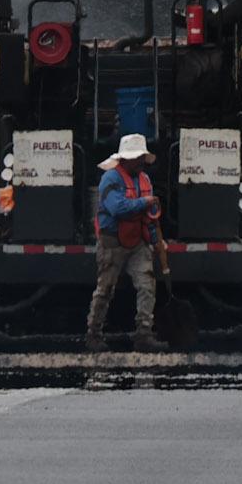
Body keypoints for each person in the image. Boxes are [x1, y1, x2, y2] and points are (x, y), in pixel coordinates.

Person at [86, 133, 165, 352]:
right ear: (125, 159)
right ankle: (93, 334)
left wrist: (157, 241)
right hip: (112, 243)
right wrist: (145, 201)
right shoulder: (110, 179)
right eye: (137, 157)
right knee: (105, 289)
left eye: (142, 157)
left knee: (147, 285)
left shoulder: (144, 180)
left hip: (137, 242)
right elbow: (117, 208)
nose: (141, 162)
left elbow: (149, 215)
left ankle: (143, 334)